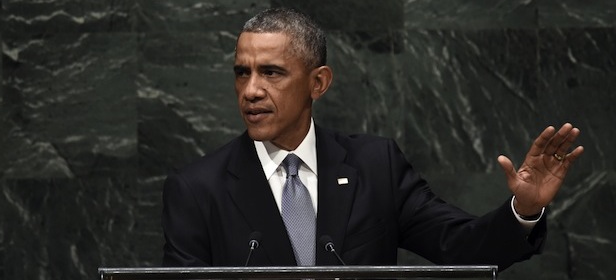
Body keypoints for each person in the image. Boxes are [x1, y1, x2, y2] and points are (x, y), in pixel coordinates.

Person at [161, 7, 584, 271]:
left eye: (271, 72)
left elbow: (462, 248)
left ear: (318, 82)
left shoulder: (374, 166)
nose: (251, 90)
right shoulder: (198, 188)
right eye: (242, 72)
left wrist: (524, 209)